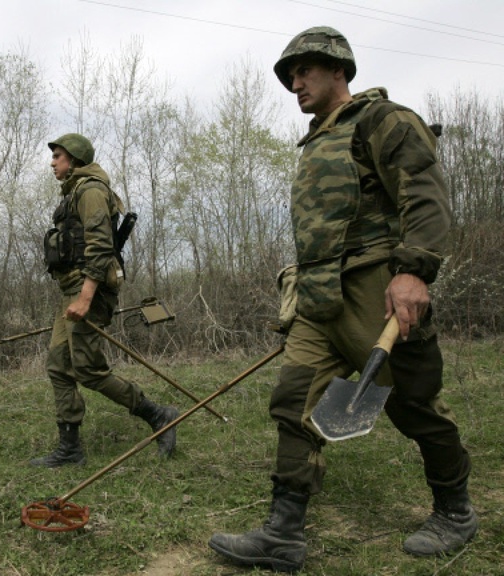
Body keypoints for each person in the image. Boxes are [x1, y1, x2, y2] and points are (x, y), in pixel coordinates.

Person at [208, 27, 477, 572]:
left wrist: (413, 272)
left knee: (414, 404)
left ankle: (456, 511)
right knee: (292, 402)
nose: (294, 83)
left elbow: (424, 194)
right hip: (318, 295)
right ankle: (284, 533)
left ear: (338, 70)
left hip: (379, 290)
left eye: (304, 70)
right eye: (289, 76)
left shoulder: (384, 121)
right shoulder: (316, 140)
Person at [30, 133, 179, 468]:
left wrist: (84, 298)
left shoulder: (92, 191)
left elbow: (100, 248)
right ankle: (70, 449)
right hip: (72, 291)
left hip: (89, 293)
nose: (53, 162)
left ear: (75, 159)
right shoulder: (74, 193)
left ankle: (159, 416)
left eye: (58, 156)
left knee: (88, 369)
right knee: (58, 365)